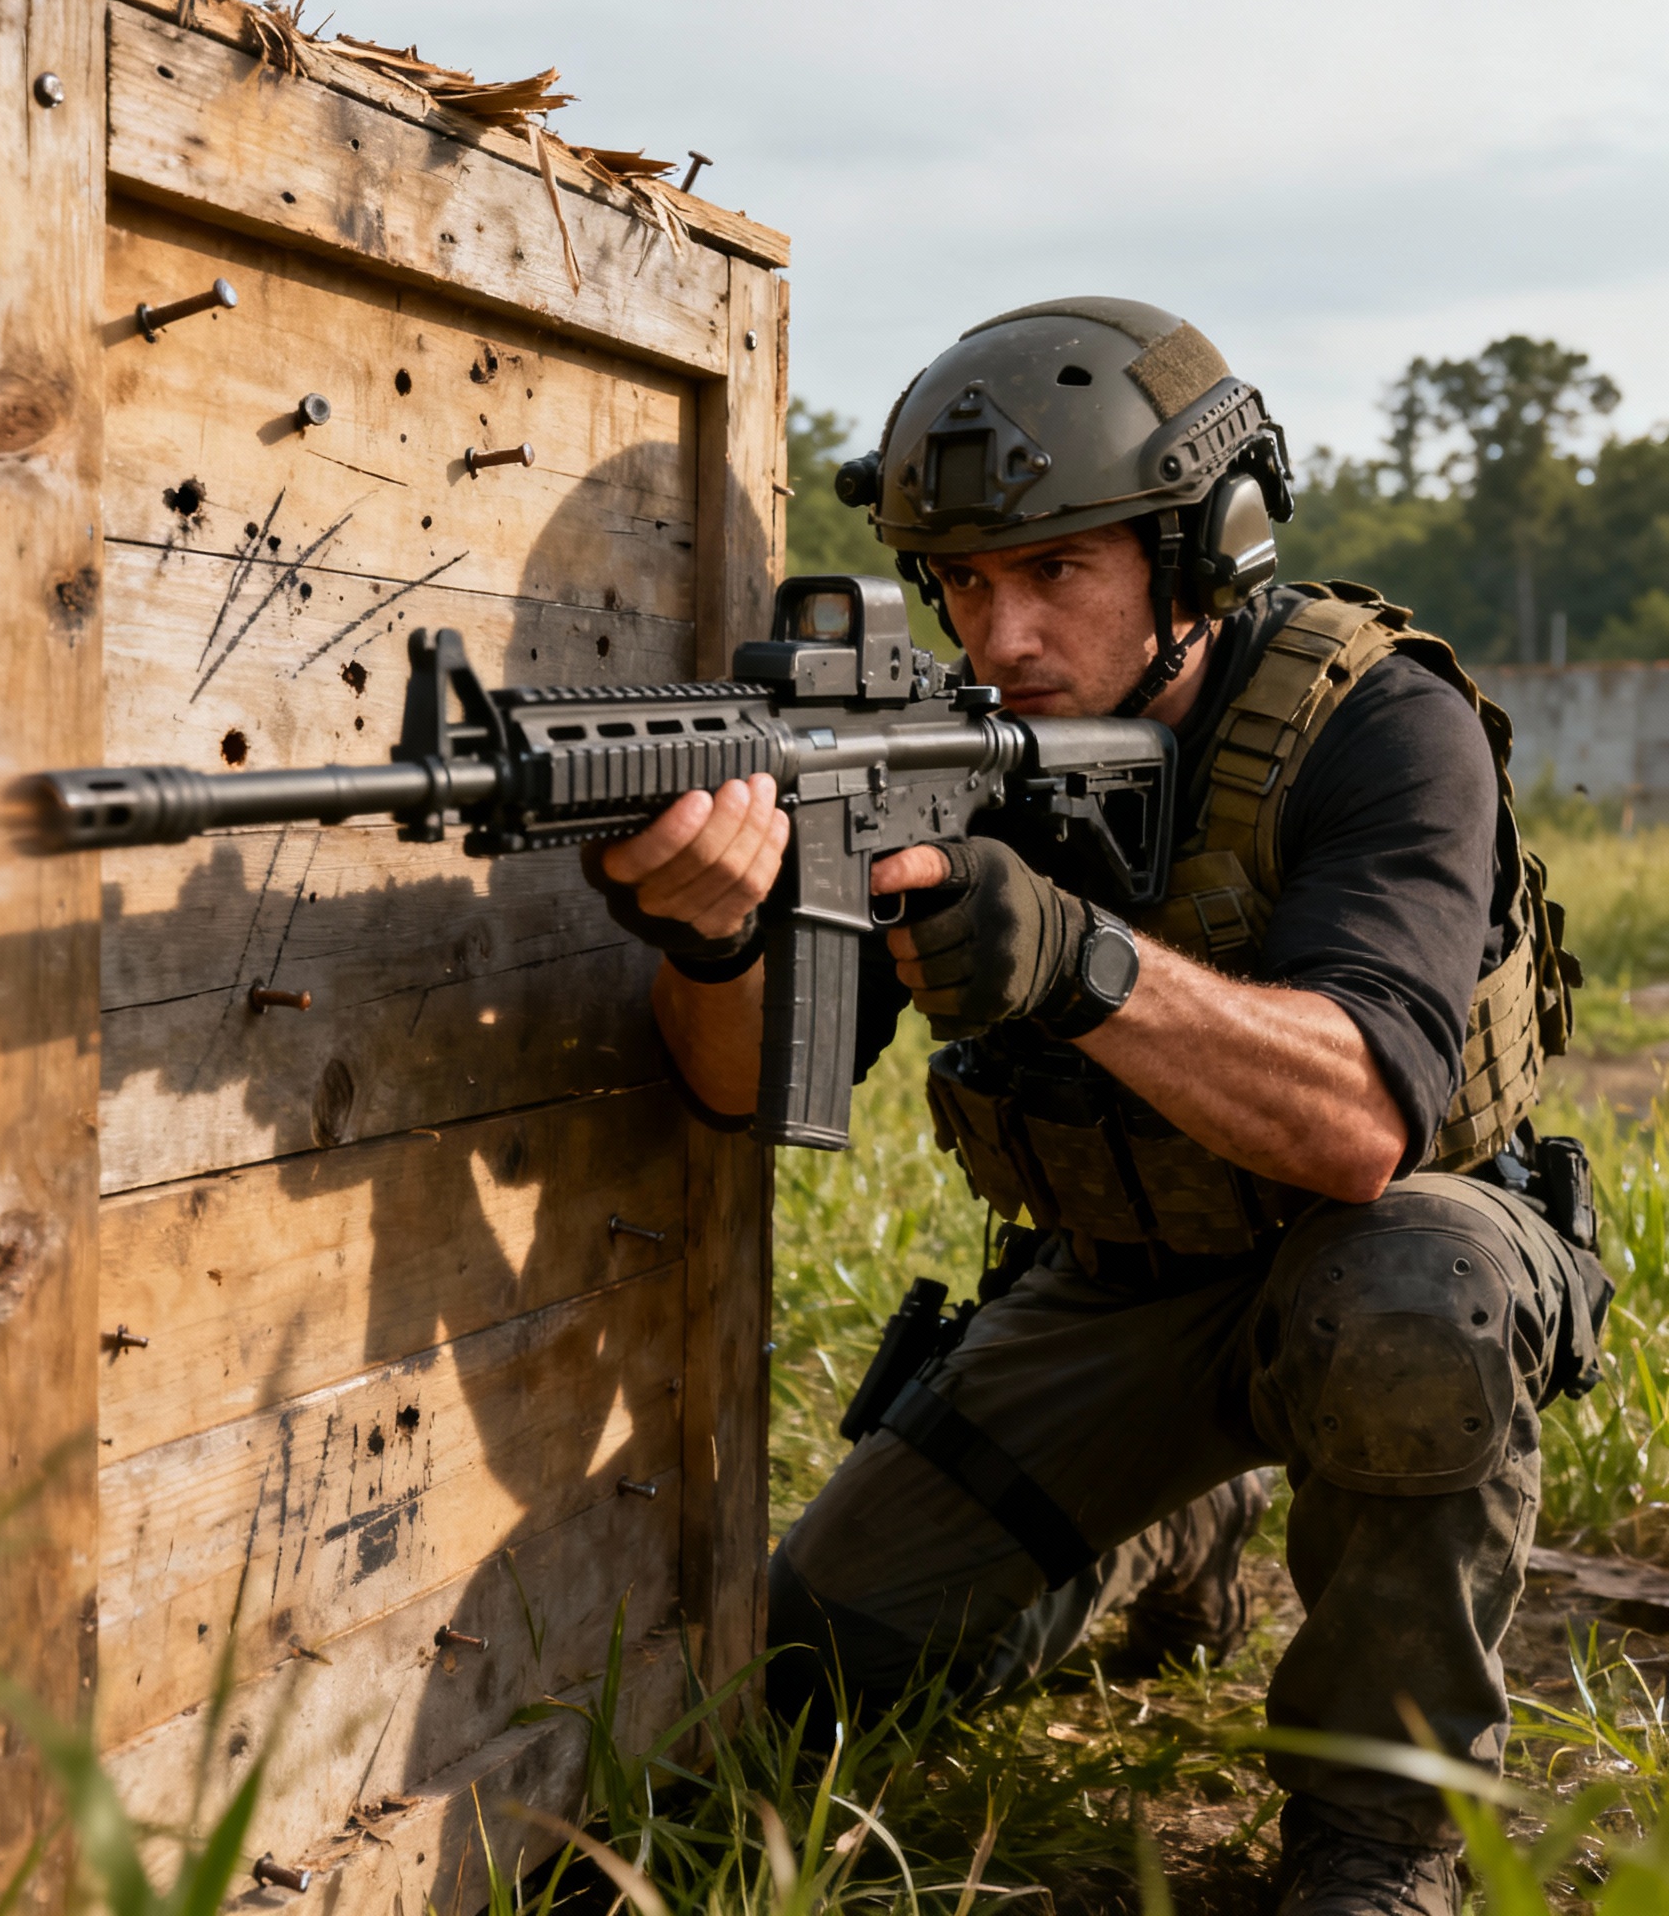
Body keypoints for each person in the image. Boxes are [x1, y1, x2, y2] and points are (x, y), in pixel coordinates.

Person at [583, 299, 1610, 1916]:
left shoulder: (1378, 724)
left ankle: (1384, 1838)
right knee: (815, 1661)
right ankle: (1177, 1536)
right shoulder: (954, 751)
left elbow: (1361, 1122)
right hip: (1120, 1289)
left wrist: (1077, 959)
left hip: (1388, 1246)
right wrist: (713, 933)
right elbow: (741, 1089)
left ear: (1200, 551)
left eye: (1056, 569)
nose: (1002, 637)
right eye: (964, 582)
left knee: (1413, 1297)